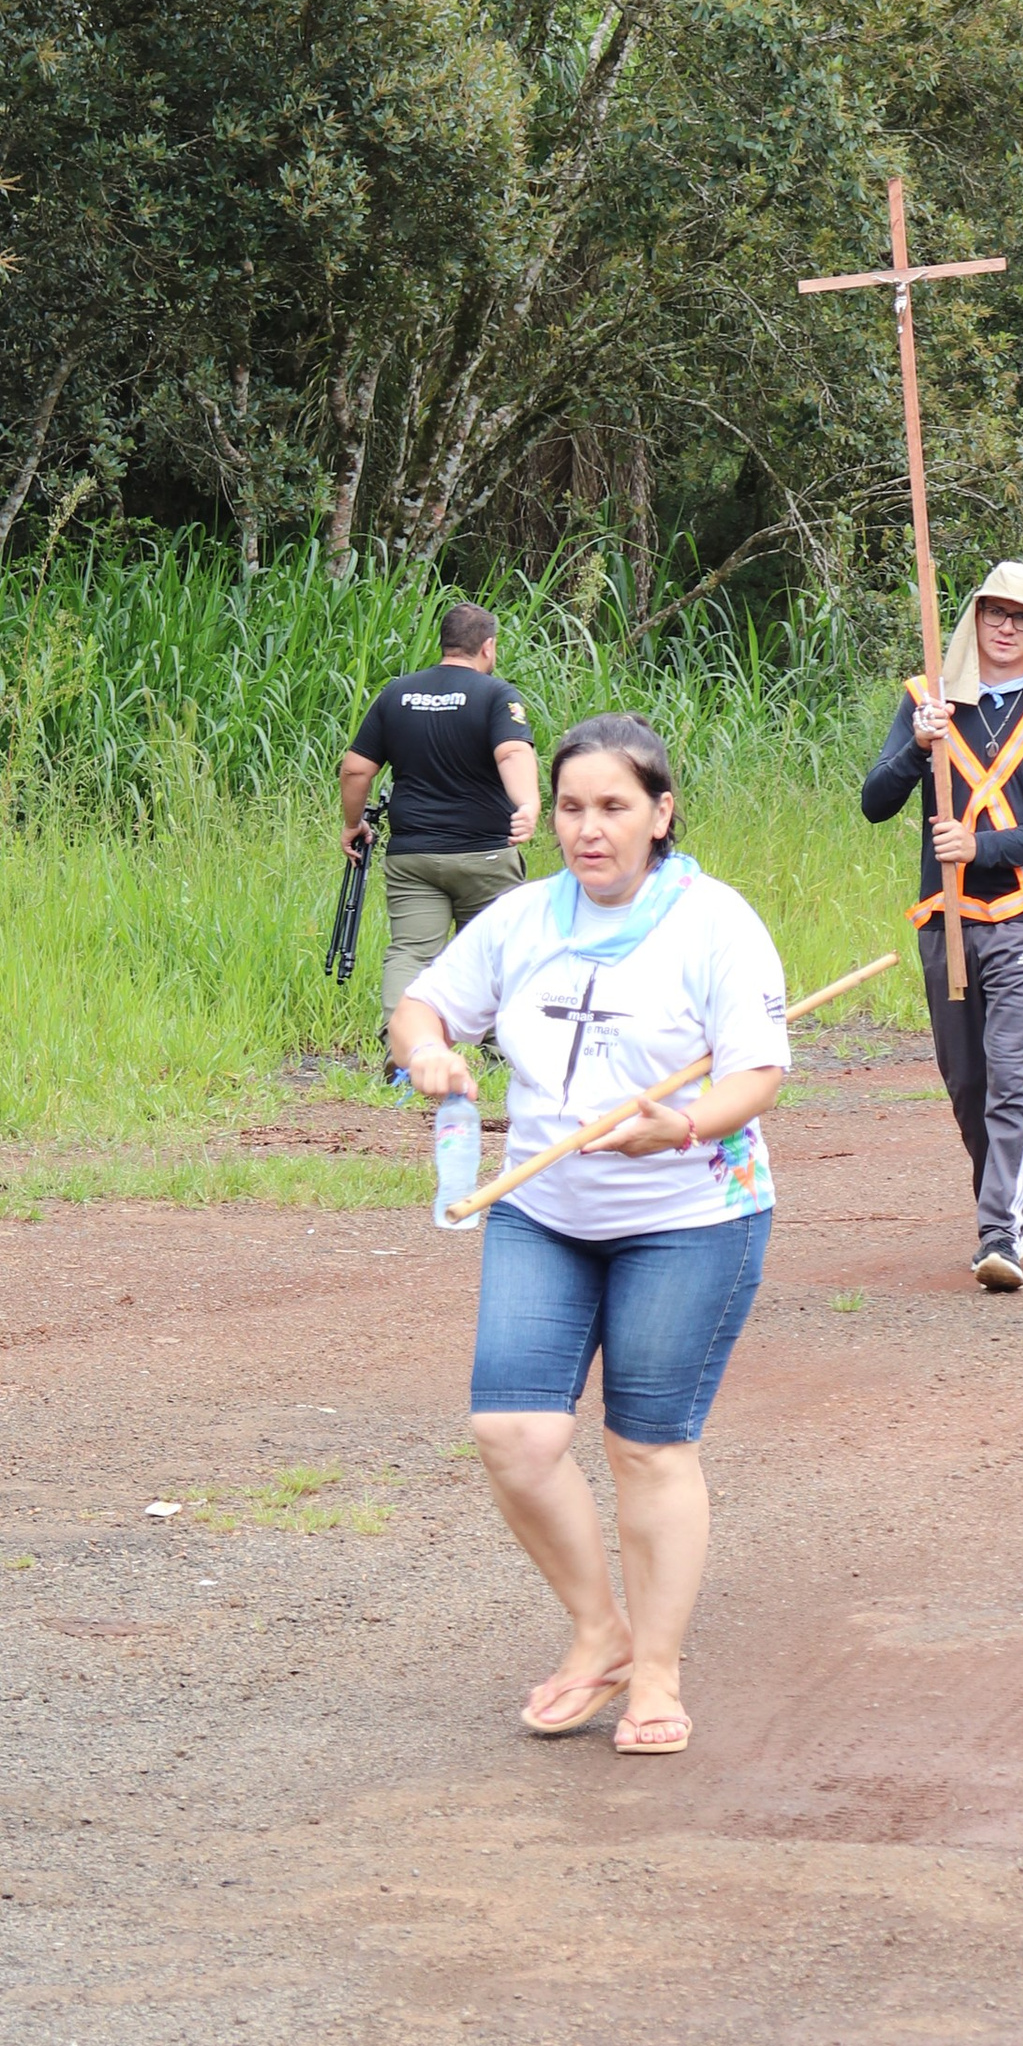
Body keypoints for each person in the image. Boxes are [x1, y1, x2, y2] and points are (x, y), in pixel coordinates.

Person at [392, 713, 789, 1759]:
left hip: (690, 1216)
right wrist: (428, 1051)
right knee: (513, 1438)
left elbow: (758, 1071)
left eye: (614, 807)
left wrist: (686, 1123)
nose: (588, 829)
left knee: (647, 1447)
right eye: (571, 808)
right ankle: (598, 1635)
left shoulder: (715, 922)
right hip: (542, 1208)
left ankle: (655, 1674)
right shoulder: (522, 918)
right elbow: (422, 1005)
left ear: (660, 814)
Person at [860, 561, 1023, 1296]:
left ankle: (999, 1231)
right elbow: (873, 803)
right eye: (995, 611)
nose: (1005, 627)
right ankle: (1006, 1208)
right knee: (966, 1081)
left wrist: (983, 848)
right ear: (975, 616)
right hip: (945, 917)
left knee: (1011, 1077)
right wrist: (915, 748)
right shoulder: (929, 700)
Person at [340, 604, 541, 1023]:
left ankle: (403, 1045)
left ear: (444, 643)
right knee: (493, 951)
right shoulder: (497, 695)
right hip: (484, 853)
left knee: (411, 952)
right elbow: (512, 751)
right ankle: (499, 1050)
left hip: (413, 855)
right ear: (488, 647)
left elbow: (357, 768)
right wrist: (528, 804)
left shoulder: (396, 693)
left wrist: (352, 822)